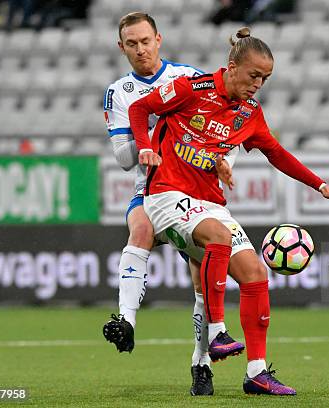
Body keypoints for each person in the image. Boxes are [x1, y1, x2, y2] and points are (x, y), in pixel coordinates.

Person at [128, 27, 329, 395]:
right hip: (166, 195)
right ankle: (218, 332)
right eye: (254, 76)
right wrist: (144, 147)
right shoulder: (192, 88)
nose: (258, 85)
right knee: (218, 238)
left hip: (209, 203)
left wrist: (322, 186)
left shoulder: (249, 112)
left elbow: (277, 153)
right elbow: (140, 108)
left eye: (265, 79)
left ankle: (256, 372)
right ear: (232, 67)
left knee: (254, 272)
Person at [101, 12, 242, 396]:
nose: (140, 49)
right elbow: (124, 158)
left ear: (158, 39)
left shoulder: (187, 77)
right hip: (149, 189)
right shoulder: (119, 92)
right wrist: (157, 130)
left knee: (201, 277)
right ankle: (126, 321)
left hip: (192, 189)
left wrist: (221, 159)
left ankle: (201, 364)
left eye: (146, 41)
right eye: (132, 43)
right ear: (122, 47)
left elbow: (221, 132)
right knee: (141, 227)